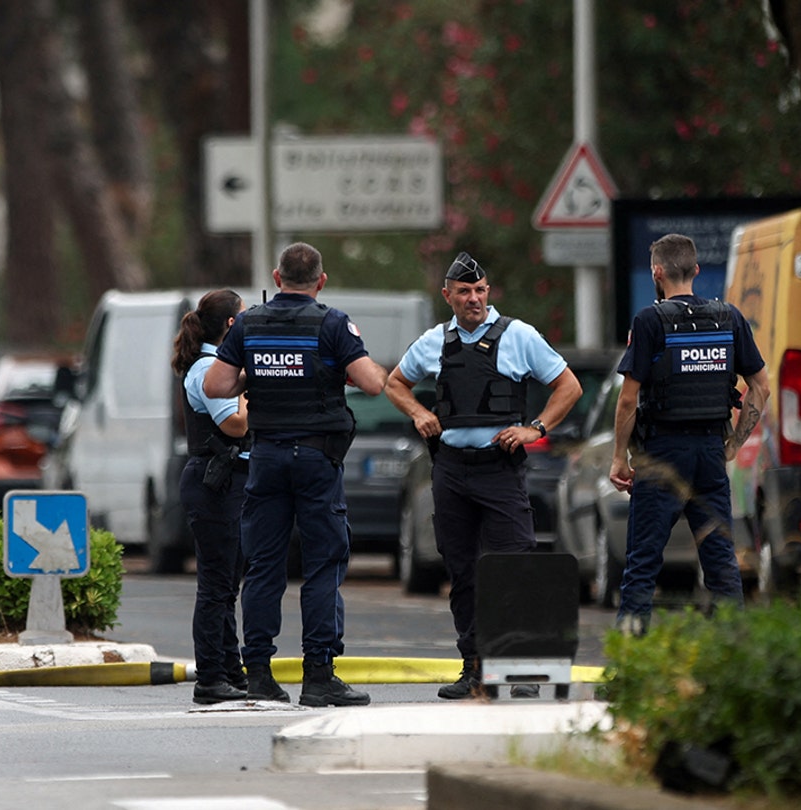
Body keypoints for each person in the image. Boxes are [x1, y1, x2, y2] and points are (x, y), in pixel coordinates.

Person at [383, 251, 582, 700]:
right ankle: (473, 667)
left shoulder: (519, 335)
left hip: (500, 469)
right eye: (464, 292)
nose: (473, 299)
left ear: (488, 292)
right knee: (463, 572)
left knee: (514, 567)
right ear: (447, 295)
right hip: (452, 470)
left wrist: (536, 428)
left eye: (480, 290)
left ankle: (520, 670)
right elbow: (394, 383)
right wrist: (419, 412)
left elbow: (568, 386)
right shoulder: (434, 341)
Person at [204, 242, 388, 707]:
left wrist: (257, 375)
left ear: (277, 276)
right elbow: (372, 382)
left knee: (265, 565)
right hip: (316, 460)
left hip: (265, 457)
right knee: (323, 564)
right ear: (320, 281)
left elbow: (216, 385)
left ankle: (259, 674)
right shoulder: (332, 323)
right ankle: (319, 675)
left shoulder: (248, 323)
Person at [608, 233, 768, 636]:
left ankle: (631, 661)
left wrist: (618, 458)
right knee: (720, 561)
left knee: (643, 563)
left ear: (656, 272)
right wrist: (732, 444)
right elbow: (761, 386)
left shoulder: (649, 321)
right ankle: (732, 658)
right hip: (711, 453)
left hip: (662, 454)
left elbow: (628, 401)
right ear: (696, 270)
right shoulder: (729, 318)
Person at [172, 289, 251, 705]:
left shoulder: (216, 365)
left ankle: (230, 671)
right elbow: (235, 424)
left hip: (224, 483)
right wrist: (249, 389)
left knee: (226, 584)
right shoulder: (207, 368)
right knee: (216, 585)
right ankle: (210, 677)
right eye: (245, 317)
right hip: (214, 483)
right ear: (231, 326)